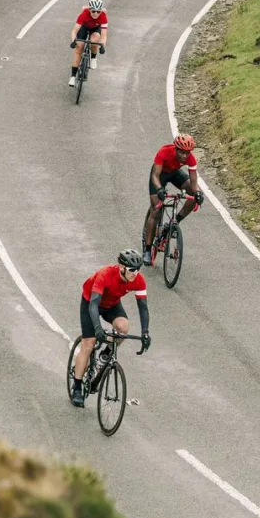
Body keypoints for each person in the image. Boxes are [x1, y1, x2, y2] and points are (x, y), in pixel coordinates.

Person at [71, 249, 150, 408]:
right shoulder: (105, 275)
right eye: (132, 270)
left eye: (138, 269)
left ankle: (106, 354)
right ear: (122, 267)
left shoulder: (138, 280)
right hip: (91, 303)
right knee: (89, 343)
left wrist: (145, 333)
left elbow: (143, 307)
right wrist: (98, 328)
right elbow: (93, 305)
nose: (135, 273)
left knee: (123, 327)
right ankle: (77, 387)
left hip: (111, 305)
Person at [142, 133, 204, 266]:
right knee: (156, 210)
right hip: (160, 175)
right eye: (182, 152)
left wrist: (198, 193)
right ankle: (147, 250)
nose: (184, 156)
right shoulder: (164, 152)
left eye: (187, 153)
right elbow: (155, 176)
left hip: (174, 173)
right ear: (175, 148)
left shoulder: (190, 158)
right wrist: (159, 189)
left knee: (193, 196)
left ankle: (173, 223)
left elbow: (193, 182)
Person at [69, 0, 107, 87]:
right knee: (79, 47)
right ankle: (73, 77)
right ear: (89, 10)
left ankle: (93, 58)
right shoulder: (83, 15)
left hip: (95, 28)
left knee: (95, 40)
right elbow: (74, 31)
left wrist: (102, 46)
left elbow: (104, 35)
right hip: (84, 27)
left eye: (98, 11)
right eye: (93, 11)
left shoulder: (103, 17)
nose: (96, 13)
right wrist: (73, 41)